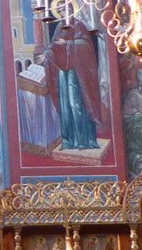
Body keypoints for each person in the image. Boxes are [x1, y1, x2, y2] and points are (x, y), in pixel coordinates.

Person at [43, 18, 103, 151]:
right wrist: (46, 54)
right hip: (62, 71)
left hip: (77, 71)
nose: (62, 13)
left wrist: (68, 43)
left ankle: (83, 140)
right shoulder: (60, 26)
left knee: (75, 104)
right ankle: (68, 140)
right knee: (65, 105)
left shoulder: (78, 25)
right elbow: (53, 45)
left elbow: (85, 44)